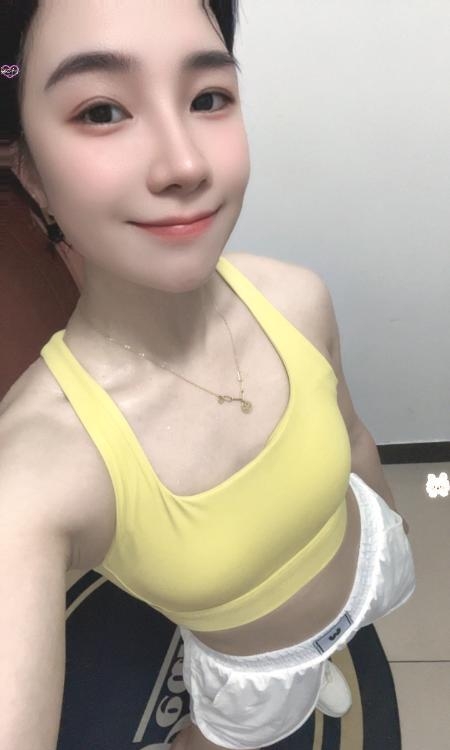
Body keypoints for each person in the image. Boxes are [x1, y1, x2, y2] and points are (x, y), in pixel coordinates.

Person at [0, 2, 416, 749]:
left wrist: (390, 521)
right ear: (27, 167)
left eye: (208, 97)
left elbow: (354, 438)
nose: (186, 165)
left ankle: (328, 652)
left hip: (368, 569)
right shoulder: (39, 468)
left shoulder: (295, 295)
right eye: (102, 111)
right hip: (252, 670)